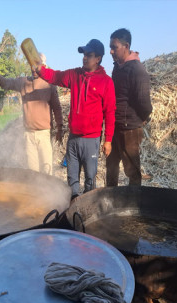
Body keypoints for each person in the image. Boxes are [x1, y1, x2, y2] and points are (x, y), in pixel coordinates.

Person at [33, 39, 116, 200]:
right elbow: (55, 76)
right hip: (73, 138)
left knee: (90, 178)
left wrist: (108, 140)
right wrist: (40, 70)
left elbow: (110, 112)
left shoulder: (106, 82)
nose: (84, 58)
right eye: (84, 54)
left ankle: (89, 208)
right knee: (72, 178)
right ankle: (73, 209)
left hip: (91, 140)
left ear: (98, 58)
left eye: (89, 55)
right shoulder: (75, 75)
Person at [0, 53, 63, 175]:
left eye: (36, 64)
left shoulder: (49, 84)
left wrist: (60, 128)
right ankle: (34, 193)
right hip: (28, 135)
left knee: (47, 170)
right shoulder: (23, 82)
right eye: (31, 64)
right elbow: (5, 83)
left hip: (44, 134)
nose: (33, 68)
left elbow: (57, 108)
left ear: (44, 66)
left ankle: (47, 193)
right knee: (32, 172)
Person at [107, 28, 153, 186]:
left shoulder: (137, 70)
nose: (111, 51)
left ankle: (134, 201)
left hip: (130, 129)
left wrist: (142, 119)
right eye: (110, 47)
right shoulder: (117, 68)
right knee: (111, 166)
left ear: (126, 46)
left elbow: (144, 102)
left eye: (114, 47)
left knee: (132, 170)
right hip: (115, 125)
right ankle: (109, 199)